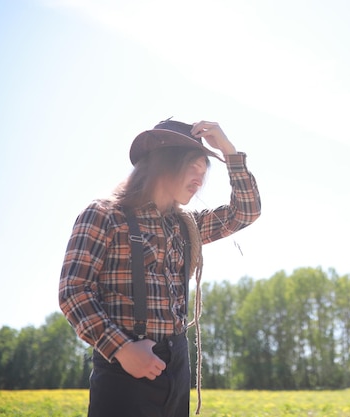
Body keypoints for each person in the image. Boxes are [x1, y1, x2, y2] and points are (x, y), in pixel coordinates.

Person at [59, 119, 261, 416]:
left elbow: (245, 212)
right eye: (194, 165)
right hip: (122, 372)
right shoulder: (104, 213)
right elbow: (73, 291)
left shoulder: (185, 225)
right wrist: (123, 349)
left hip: (177, 367)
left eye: (205, 169)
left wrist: (230, 153)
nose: (201, 176)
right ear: (164, 162)